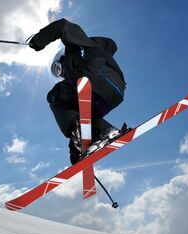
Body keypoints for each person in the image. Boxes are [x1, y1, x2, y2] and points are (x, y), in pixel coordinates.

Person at [29, 18, 126, 164]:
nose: (61, 75)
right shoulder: (94, 53)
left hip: (95, 78)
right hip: (113, 94)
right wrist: (77, 157)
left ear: (62, 59)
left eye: (58, 69)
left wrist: (38, 40)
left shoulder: (75, 48)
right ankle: (107, 132)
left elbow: (63, 25)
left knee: (54, 97)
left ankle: (81, 138)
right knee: (81, 116)